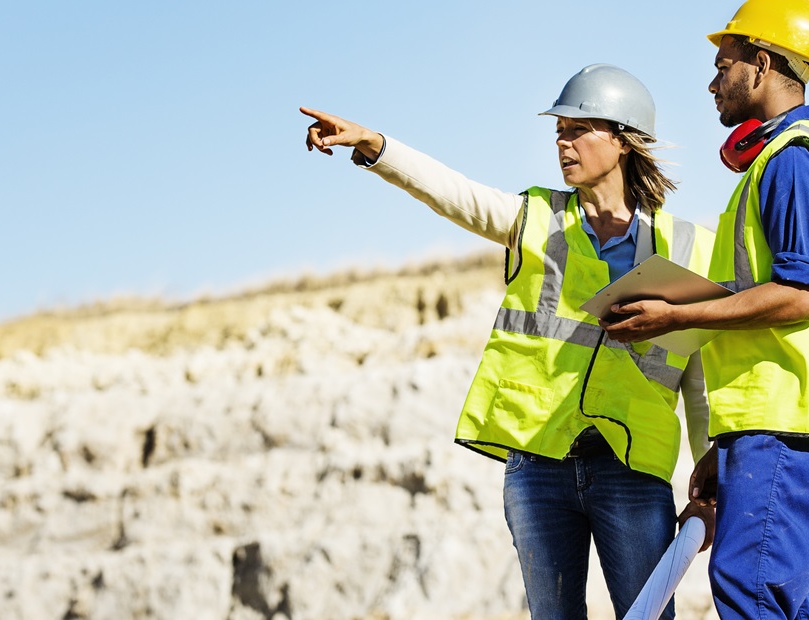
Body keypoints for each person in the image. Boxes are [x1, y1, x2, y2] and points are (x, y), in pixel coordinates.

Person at [301, 63, 715, 620]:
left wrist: (711, 458)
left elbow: (696, 375)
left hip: (631, 468)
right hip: (537, 460)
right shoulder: (534, 217)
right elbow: (453, 194)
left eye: (577, 130)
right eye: (558, 133)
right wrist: (378, 147)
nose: (562, 144)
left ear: (621, 139)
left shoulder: (686, 244)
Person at [600, 2, 809, 619]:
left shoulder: (792, 160)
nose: (712, 83)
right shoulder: (774, 162)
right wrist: (723, 448)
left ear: (760, 66)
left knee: (750, 588)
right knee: (802, 601)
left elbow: (799, 294)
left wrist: (676, 316)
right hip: (776, 422)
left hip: (790, 416)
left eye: (722, 66)